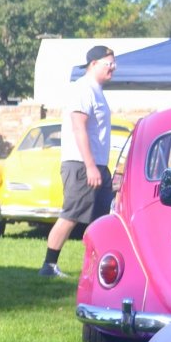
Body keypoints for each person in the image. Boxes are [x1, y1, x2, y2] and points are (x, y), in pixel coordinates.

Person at [40, 45, 117, 277]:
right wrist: (91, 165)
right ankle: (49, 266)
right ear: (93, 64)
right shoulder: (83, 89)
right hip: (82, 165)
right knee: (71, 215)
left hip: (97, 165)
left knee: (104, 218)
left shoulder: (97, 90)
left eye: (114, 64)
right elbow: (78, 127)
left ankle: (100, 267)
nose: (113, 68)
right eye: (108, 64)